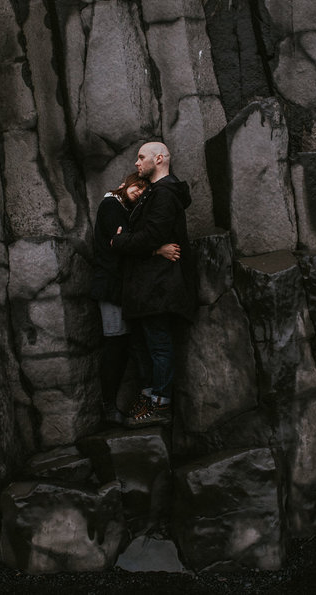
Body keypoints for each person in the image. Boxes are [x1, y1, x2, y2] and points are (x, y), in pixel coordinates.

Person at [111, 141, 196, 426]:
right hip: (147, 287)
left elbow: (151, 235)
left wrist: (121, 241)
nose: (136, 163)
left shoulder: (164, 194)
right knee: (146, 345)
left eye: (141, 157)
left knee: (159, 345)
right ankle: (149, 398)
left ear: (158, 159)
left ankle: (160, 405)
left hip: (158, 286)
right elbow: (151, 239)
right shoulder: (156, 193)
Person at [91, 172, 180, 424]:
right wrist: (157, 249)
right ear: (125, 183)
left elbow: (126, 243)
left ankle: (133, 399)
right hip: (110, 286)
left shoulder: (123, 209)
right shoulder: (111, 205)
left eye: (144, 190)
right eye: (137, 186)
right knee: (115, 344)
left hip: (122, 288)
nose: (139, 191)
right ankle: (108, 407)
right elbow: (120, 245)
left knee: (127, 344)